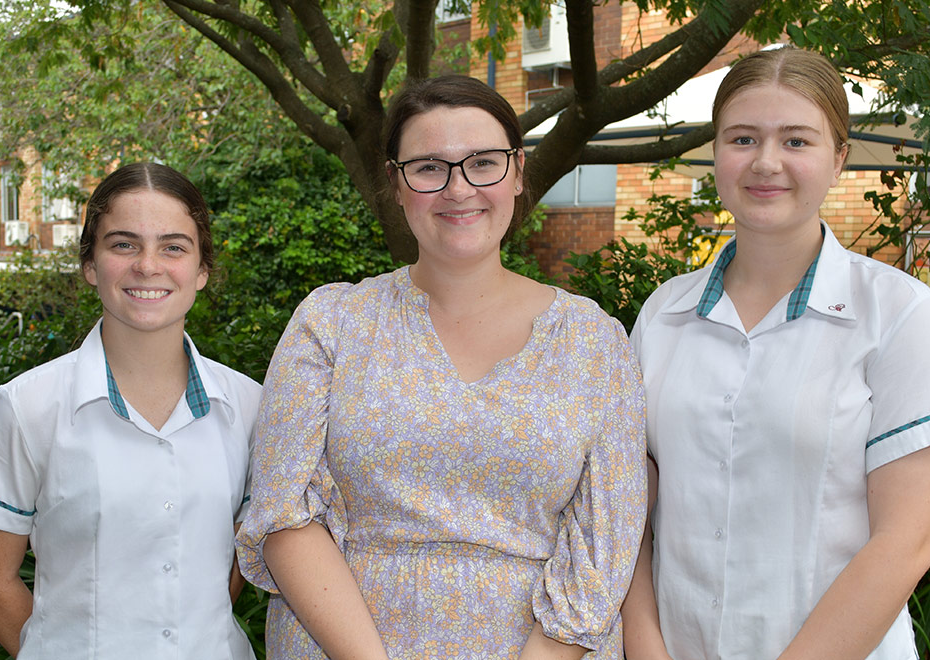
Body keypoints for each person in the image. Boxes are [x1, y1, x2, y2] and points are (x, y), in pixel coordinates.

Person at [235, 75, 646, 659]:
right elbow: (281, 514)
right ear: (396, 184)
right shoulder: (332, 323)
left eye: (483, 162)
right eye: (429, 167)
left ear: (518, 171)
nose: (459, 189)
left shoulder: (594, 343)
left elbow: (607, 542)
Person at [621, 46, 930, 660]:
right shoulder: (661, 315)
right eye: (742, 138)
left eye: (797, 141)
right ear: (715, 152)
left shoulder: (897, 313)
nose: (765, 163)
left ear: (838, 158)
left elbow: (907, 541)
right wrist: (647, 647)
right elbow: (626, 514)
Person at [0, 162, 260, 659]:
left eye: (173, 247)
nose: (148, 265)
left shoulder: (250, 406)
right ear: (90, 264)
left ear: (201, 270)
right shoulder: (27, 407)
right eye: (123, 244)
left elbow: (241, 554)